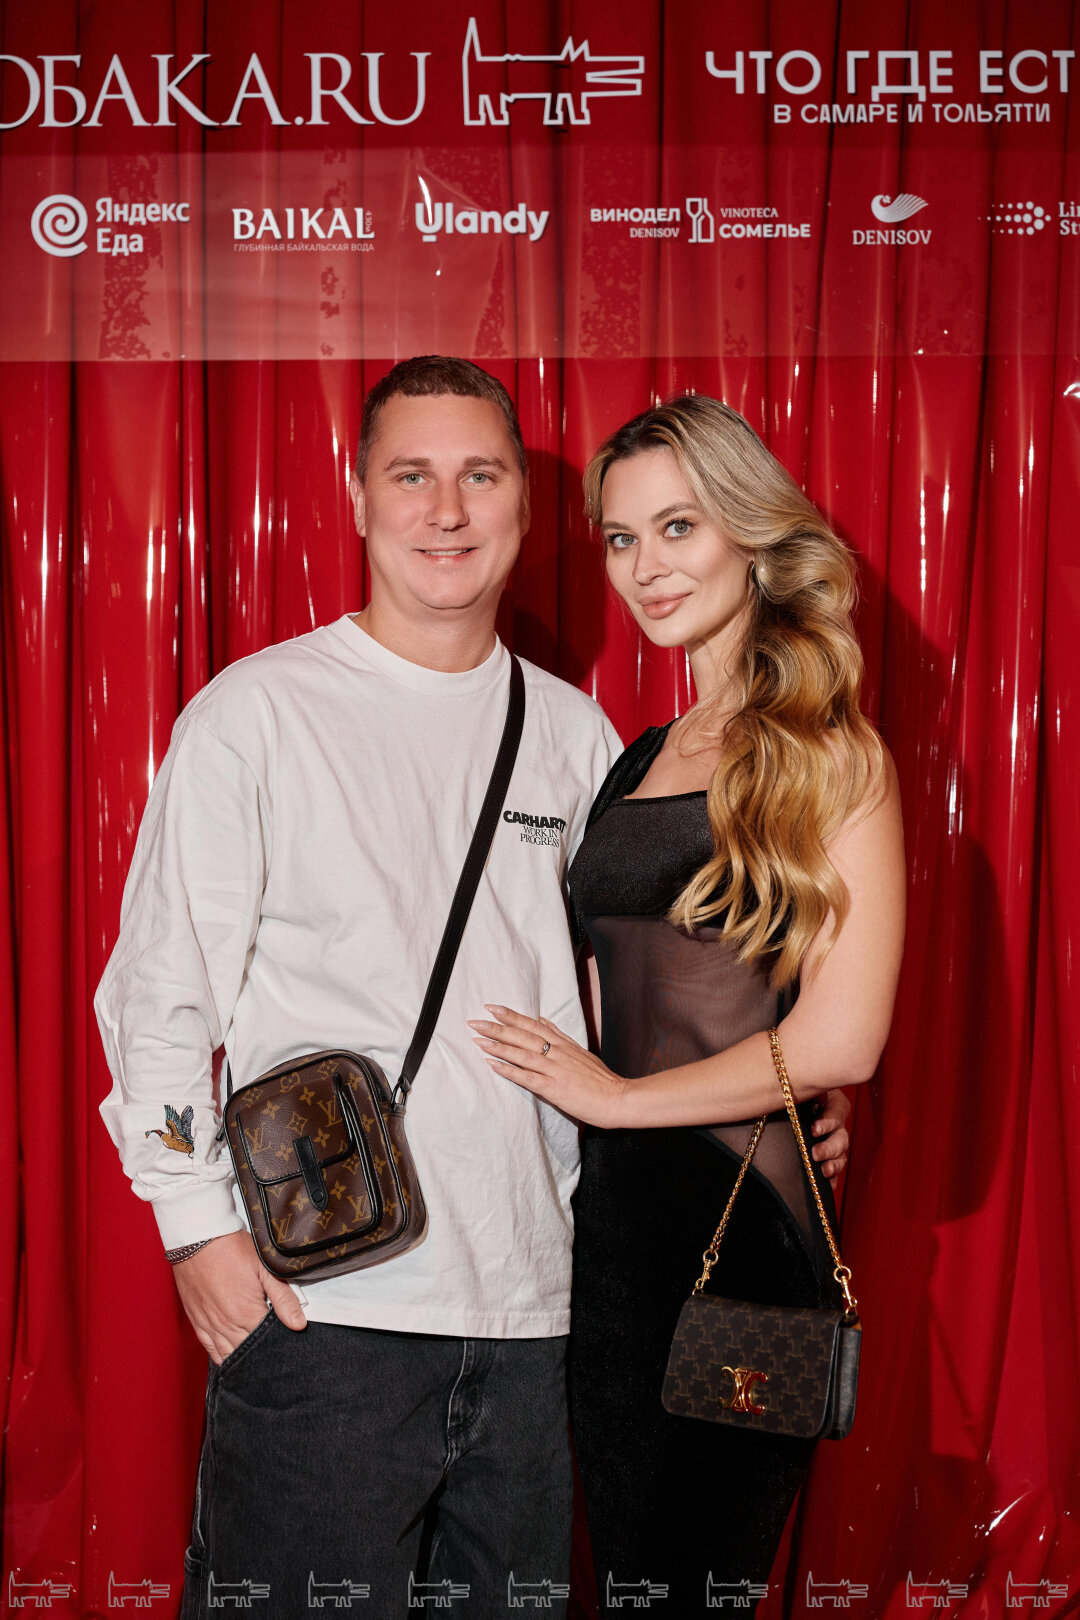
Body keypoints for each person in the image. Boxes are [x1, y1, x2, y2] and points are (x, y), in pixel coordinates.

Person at [94, 355, 633, 1618]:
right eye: (411, 475)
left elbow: (625, 1004)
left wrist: (773, 1098)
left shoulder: (577, 736)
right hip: (324, 1311)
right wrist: (196, 1229)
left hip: (533, 1319)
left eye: (479, 475)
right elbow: (161, 994)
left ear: (523, 505)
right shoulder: (258, 714)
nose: (445, 510)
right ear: (356, 496)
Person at [468, 395, 905, 1614]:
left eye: (678, 526)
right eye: (622, 538)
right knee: (632, 1574)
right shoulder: (639, 752)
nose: (645, 566)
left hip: (743, 1225)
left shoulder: (829, 751)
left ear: (749, 532)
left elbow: (842, 1035)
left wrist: (617, 1097)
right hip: (614, 1227)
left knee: (694, 1581)